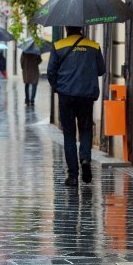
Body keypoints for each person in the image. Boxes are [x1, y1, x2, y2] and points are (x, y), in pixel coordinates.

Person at [47, 26, 106, 187]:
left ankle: (73, 175)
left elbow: (50, 72)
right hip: (86, 95)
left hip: (66, 95)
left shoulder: (58, 46)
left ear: (66, 29)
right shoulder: (93, 46)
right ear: (81, 29)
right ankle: (85, 158)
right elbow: (101, 70)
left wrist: (58, 88)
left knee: (69, 134)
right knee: (86, 129)